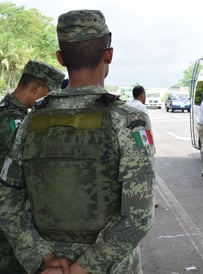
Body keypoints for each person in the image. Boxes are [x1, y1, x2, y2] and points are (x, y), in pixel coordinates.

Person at [0, 9, 155, 274]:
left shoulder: (30, 121)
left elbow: (7, 199)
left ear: (61, 58)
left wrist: (43, 259)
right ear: (109, 54)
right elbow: (138, 216)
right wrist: (85, 267)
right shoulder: (127, 121)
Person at [0, 60, 64, 274]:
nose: (49, 102)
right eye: (48, 95)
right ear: (35, 88)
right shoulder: (13, 120)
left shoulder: (8, 112)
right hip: (7, 215)